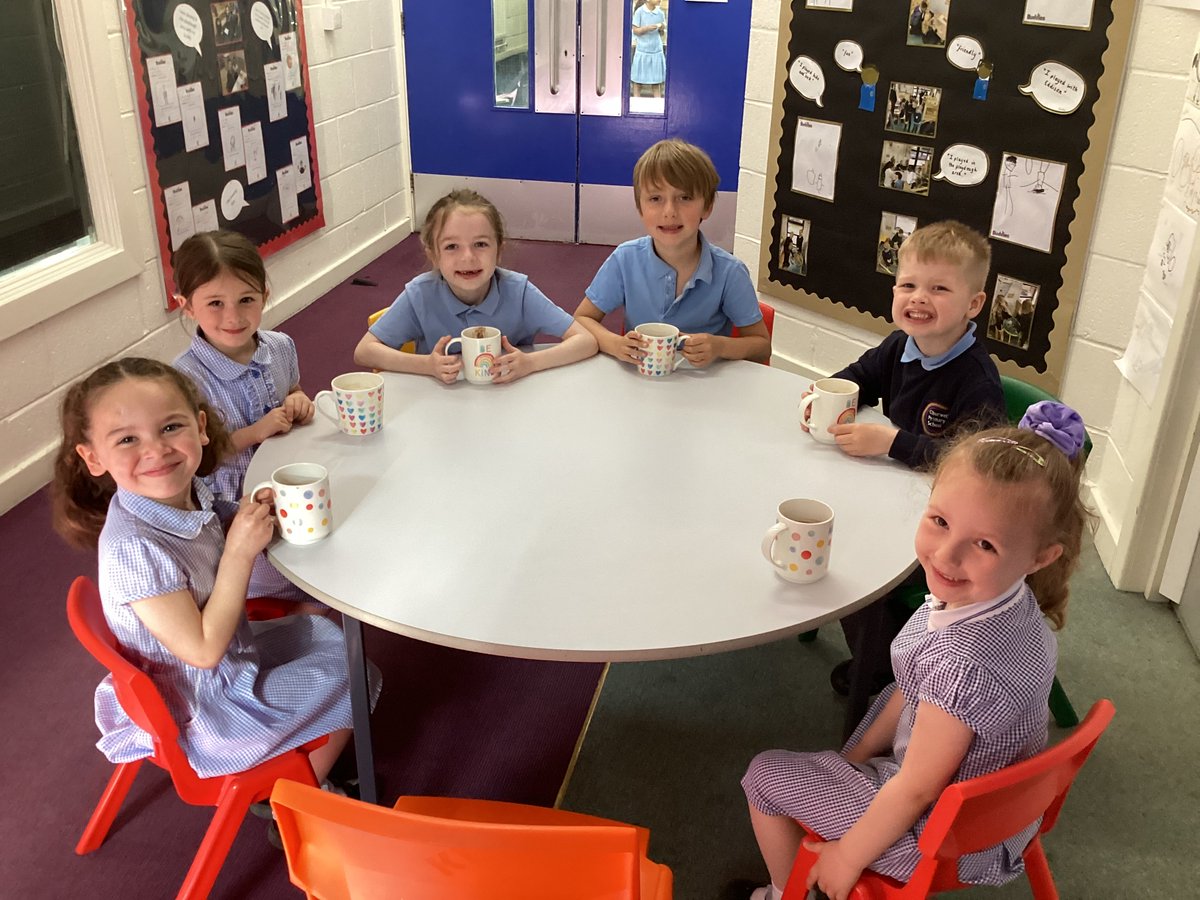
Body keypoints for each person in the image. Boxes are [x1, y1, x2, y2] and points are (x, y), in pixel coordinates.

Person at [736, 403, 1090, 900]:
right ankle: (850, 771)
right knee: (890, 695)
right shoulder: (1012, 606)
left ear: (1041, 557)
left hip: (939, 835)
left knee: (765, 777)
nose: (946, 556)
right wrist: (854, 758)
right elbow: (910, 686)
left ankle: (783, 892)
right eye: (940, 521)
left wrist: (847, 855)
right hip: (998, 812)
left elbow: (917, 789)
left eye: (984, 545)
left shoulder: (963, 668)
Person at [50, 358, 381, 811]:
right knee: (354, 672)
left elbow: (212, 521)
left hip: (227, 660)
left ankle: (302, 752)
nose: (156, 450)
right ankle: (291, 798)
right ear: (93, 458)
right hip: (208, 708)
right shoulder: (134, 549)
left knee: (331, 638)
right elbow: (203, 651)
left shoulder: (180, 494)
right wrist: (240, 552)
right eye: (128, 439)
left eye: (171, 427)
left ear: (201, 427)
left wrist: (250, 513)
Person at [804, 220, 1005, 697]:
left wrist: (892, 443)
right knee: (821, 518)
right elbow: (858, 376)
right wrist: (822, 394)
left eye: (939, 288)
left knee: (863, 571)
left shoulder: (975, 377)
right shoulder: (901, 346)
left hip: (948, 519)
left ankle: (881, 672)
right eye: (909, 285)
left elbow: (975, 466)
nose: (919, 298)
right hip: (893, 492)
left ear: (973, 305)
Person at [172, 230, 319, 608]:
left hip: (291, 481)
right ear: (187, 306)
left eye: (246, 299)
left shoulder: (281, 346)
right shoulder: (184, 380)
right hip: (234, 512)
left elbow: (294, 388)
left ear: (264, 296)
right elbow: (196, 462)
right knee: (304, 575)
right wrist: (257, 431)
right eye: (215, 303)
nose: (233, 316)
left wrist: (299, 401)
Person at [354, 189, 597, 383]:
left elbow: (585, 341)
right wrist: (426, 365)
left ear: (499, 250)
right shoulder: (420, 295)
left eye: (480, 244)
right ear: (434, 255)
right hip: (441, 410)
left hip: (508, 403)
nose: (468, 257)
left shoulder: (518, 291)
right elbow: (365, 351)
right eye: (451, 247)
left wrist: (530, 363)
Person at [574, 139, 772, 367]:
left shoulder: (729, 272)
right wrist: (615, 344)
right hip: (640, 386)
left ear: (707, 207)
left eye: (685, 198)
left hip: (706, 389)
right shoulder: (625, 259)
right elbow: (582, 318)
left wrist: (720, 346)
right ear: (640, 208)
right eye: (655, 199)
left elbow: (761, 346)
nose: (669, 212)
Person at [630, 0, 667, 99]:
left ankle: (657, 106)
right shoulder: (639, 12)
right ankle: (636, 105)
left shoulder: (660, 13)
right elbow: (635, 30)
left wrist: (661, 28)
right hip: (642, 50)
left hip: (656, 50)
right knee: (637, 82)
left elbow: (662, 34)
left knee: (656, 83)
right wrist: (646, 28)